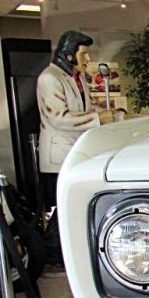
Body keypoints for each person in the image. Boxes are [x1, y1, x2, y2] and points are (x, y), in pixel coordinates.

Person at [36, 31, 113, 270]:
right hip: (59, 156)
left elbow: (85, 108)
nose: (87, 58)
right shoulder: (49, 78)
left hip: (75, 153)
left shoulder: (76, 77)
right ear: (68, 54)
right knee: (63, 208)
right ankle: (52, 253)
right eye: (83, 53)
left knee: (70, 207)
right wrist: (97, 119)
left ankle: (61, 253)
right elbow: (58, 118)